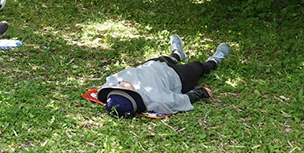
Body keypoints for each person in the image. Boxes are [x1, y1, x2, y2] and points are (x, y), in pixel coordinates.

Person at [96, 35, 230, 118]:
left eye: (117, 87)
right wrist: (200, 93)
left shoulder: (114, 83)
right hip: (177, 76)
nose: (120, 84)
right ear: (133, 95)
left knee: (165, 58)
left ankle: (177, 54)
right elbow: (180, 101)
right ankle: (214, 60)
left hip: (152, 65)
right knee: (197, 67)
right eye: (123, 88)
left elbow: (104, 88)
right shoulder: (157, 100)